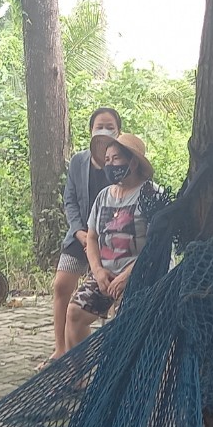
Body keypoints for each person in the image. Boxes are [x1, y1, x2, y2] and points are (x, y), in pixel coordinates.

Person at [65, 132, 157, 348]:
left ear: (132, 163)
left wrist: (127, 276)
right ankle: (78, 379)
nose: (110, 164)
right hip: (105, 274)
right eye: (107, 160)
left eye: (116, 159)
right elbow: (93, 237)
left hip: (139, 275)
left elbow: (156, 246)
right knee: (75, 313)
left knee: (125, 326)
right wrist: (97, 271)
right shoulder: (104, 196)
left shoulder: (151, 195)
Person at [49, 107, 122, 361]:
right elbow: (69, 199)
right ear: (90, 131)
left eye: (109, 126)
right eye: (99, 126)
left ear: (119, 132)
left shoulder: (121, 164)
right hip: (78, 235)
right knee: (61, 286)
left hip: (108, 240)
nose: (104, 131)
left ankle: (92, 353)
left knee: (102, 293)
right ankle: (60, 349)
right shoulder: (78, 162)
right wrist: (79, 231)